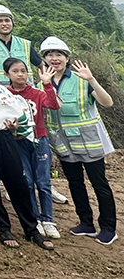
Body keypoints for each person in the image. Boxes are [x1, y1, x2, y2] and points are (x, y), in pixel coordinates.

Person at [0, 52, 54, 250]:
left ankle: (31, 229)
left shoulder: (1, 89)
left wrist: (15, 124)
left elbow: (14, 109)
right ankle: (3, 227)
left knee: (18, 182)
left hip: (7, 136)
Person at [40, 36, 117, 245]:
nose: (54, 58)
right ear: (45, 59)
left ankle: (109, 227)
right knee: (75, 184)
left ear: (66, 58)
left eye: (58, 55)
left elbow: (107, 102)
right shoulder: (42, 82)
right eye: (49, 54)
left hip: (89, 143)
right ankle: (86, 223)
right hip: (64, 146)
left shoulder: (81, 78)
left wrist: (91, 79)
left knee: (99, 184)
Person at [3, 56, 61, 239]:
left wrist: (47, 84)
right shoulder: (5, 95)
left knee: (43, 181)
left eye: (23, 71)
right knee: (27, 181)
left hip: (39, 140)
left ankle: (48, 220)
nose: (20, 75)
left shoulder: (36, 92)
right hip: (18, 142)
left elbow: (53, 105)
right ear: (7, 74)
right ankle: (35, 219)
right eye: (15, 71)